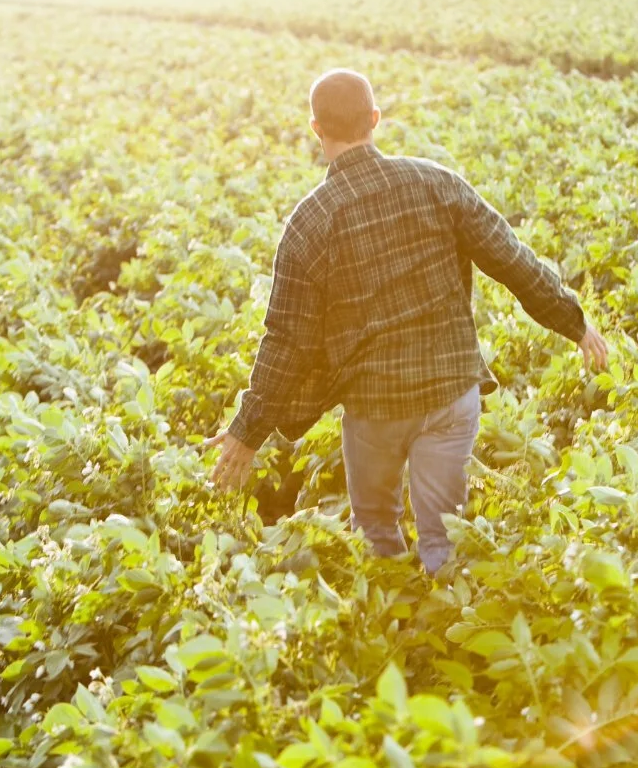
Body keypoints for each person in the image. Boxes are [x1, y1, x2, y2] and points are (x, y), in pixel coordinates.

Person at [205, 68, 608, 572]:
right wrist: (574, 321)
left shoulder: (310, 222)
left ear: (315, 129)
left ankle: (395, 633)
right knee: (445, 536)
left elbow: (288, 341)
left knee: (375, 532)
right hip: (450, 393)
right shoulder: (437, 183)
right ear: (375, 118)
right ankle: (446, 625)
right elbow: (512, 260)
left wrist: (247, 431)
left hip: (376, 408)